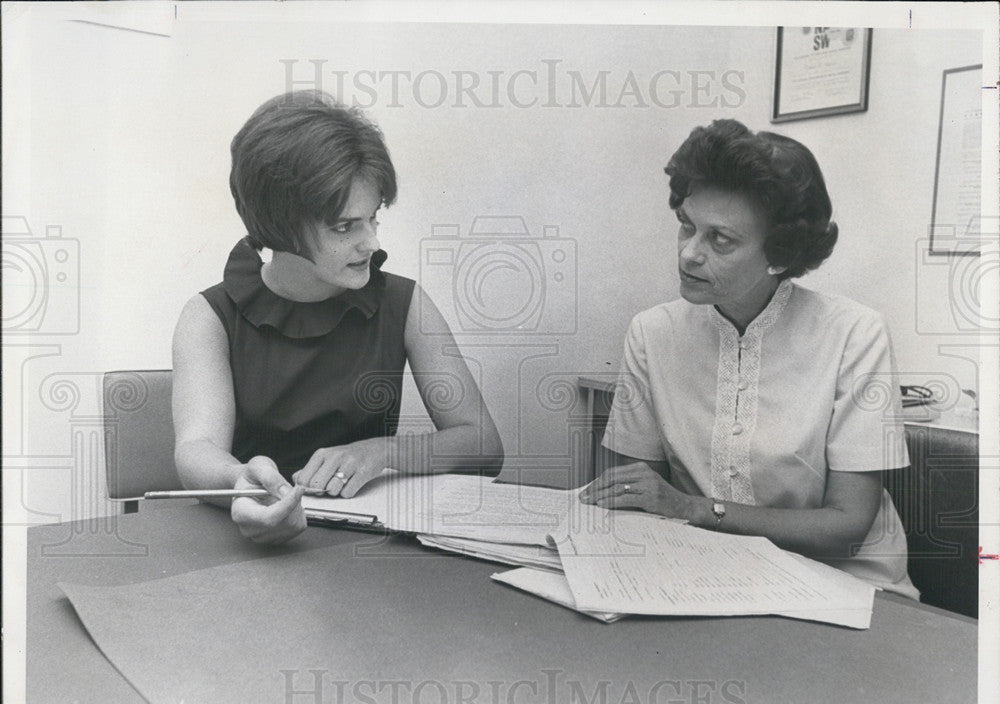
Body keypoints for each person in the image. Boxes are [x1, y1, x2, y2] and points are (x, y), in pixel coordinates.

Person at [580, 119, 918, 600]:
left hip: (846, 589)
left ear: (780, 256)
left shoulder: (854, 333)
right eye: (686, 227)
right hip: (708, 578)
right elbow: (636, 497)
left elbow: (846, 526)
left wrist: (695, 509)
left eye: (721, 239)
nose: (689, 254)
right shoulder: (651, 332)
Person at [173, 90, 503, 544]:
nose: (370, 243)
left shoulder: (405, 303)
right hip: (248, 539)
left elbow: (484, 444)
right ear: (280, 225)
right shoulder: (210, 316)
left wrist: (382, 453)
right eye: (345, 227)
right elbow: (195, 448)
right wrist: (239, 484)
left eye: (373, 218)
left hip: (366, 548)